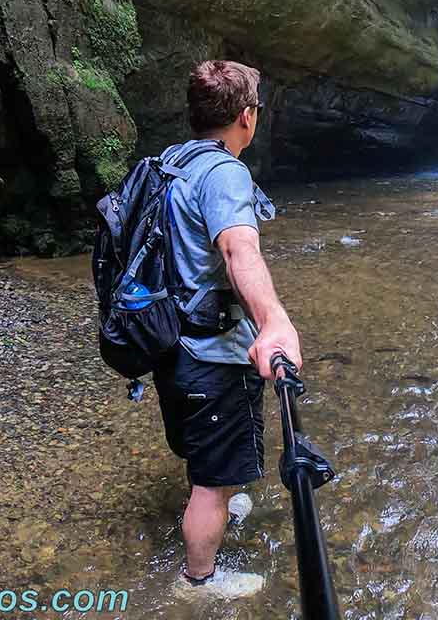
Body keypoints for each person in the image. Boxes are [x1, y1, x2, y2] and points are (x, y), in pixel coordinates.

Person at [153, 59, 303, 599]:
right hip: (212, 353)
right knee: (212, 486)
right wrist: (274, 321)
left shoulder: (172, 165)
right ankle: (198, 579)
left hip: (173, 343)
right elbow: (240, 249)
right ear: (246, 116)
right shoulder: (224, 174)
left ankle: (219, 488)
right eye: (257, 105)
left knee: (211, 452)